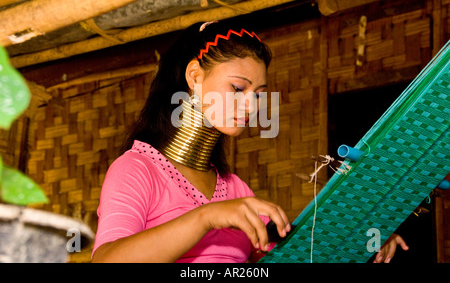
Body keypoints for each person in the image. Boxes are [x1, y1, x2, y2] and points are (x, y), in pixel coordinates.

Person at [91, 20, 407, 263]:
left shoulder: (235, 190)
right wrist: (206, 216)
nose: (252, 106)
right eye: (238, 88)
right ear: (195, 77)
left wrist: (360, 241)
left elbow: (291, 255)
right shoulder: (136, 170)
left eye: (257, 94)